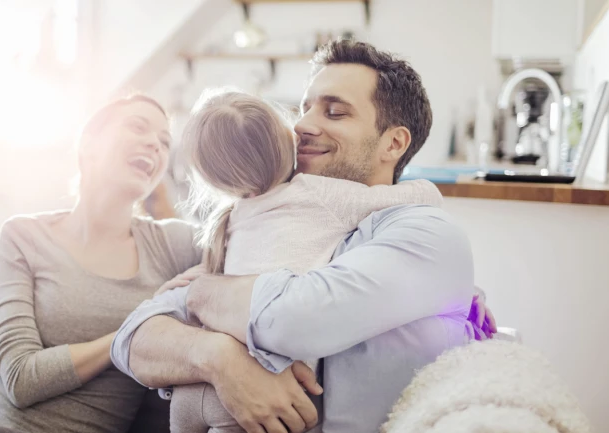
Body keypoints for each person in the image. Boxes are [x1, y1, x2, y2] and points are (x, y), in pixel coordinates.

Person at [110, 40, 497, 433]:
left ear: (394, 143)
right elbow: (132, 339)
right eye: (304, 107)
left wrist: (201, 294)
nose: (301, 125)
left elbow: (294, 319)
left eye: (334, 112)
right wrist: (218, 356)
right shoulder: (274, 211)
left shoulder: (427, 233)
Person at [0, 95, 203, 433]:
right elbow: (20, 380)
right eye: (138, 126)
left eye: (165, 142)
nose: (155, 144)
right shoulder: (24, 235)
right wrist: (131, 333)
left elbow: (249, 234)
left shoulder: (172, 245)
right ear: (88, 144)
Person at [164, 89, 447, 433]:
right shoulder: (316, 193)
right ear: (287, 139)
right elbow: (424, 195)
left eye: (334, 112)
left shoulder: (229, 219)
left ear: (211, 177)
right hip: (274, 383)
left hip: (193, 393)